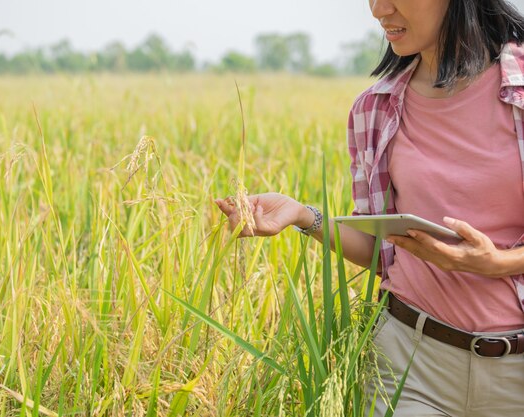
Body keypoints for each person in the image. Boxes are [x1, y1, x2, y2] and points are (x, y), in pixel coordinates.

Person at [215, 0, 524, 415]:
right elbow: (384, 253)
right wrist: (303, 215)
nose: (379, 9)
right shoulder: (375, 108)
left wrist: (497, 265)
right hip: (410, 364)